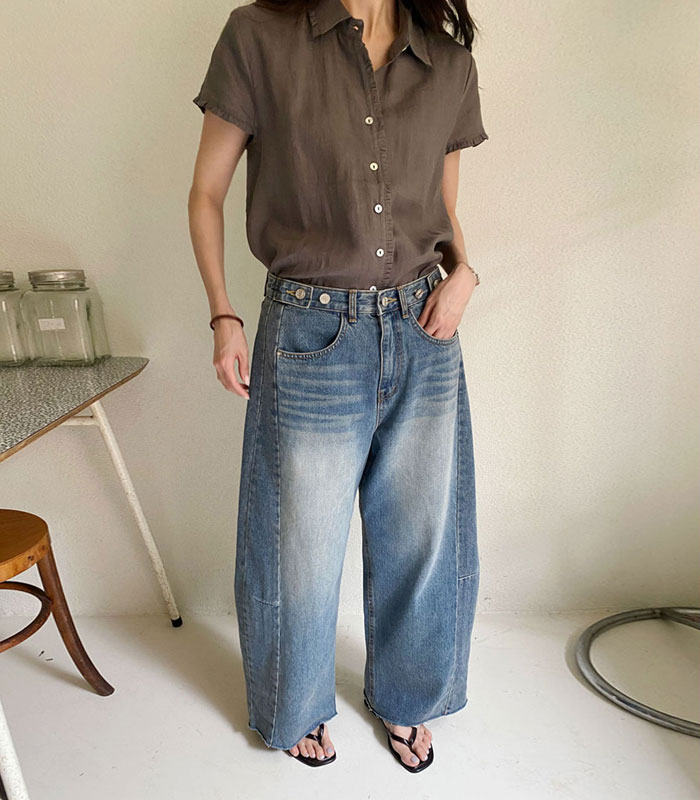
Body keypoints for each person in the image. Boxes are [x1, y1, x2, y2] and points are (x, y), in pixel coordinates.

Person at [188, 0, 487, 773]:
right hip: (309, 328)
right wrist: (223, 314)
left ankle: (408, 696)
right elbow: (206, 193)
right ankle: (293, 704)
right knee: (298, 543)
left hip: (425, 326)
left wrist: (466, 273)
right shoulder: (259, 37)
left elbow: (444, 210)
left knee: (423, 535)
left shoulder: (448, 64)